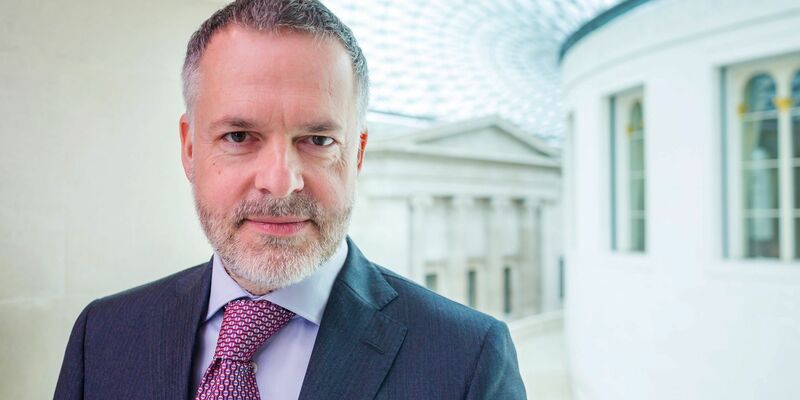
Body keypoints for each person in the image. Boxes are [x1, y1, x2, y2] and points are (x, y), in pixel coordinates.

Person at [53, 0, 527, 399]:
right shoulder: (104, 335)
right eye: (239, 135)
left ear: (356, 155)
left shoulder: (468, 360)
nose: (281, 183)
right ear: (190, 148)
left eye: (318, 140)